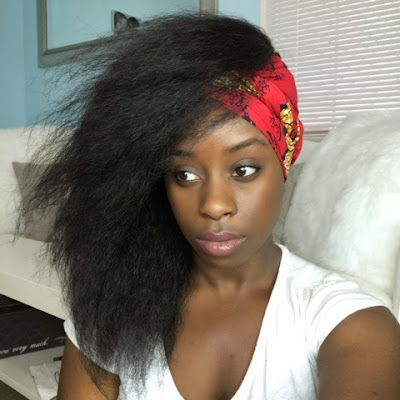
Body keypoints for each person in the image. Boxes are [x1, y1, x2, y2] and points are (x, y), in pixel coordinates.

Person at [20, 13, 400, 400]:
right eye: (184, 174)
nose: (214, 206)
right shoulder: (114, 304)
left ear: (283, 164)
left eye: (244, 170)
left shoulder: (351, 323)